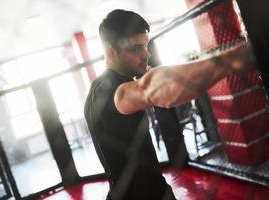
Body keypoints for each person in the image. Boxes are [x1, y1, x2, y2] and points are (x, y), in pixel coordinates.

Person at [84, 9, 253, 200]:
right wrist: (244, 53)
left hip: (154, 190)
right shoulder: (107, 90)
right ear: (110, 52)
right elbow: (151, 88)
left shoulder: (118, 82)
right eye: (135, 49)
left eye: (145, 45)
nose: (146, 54)